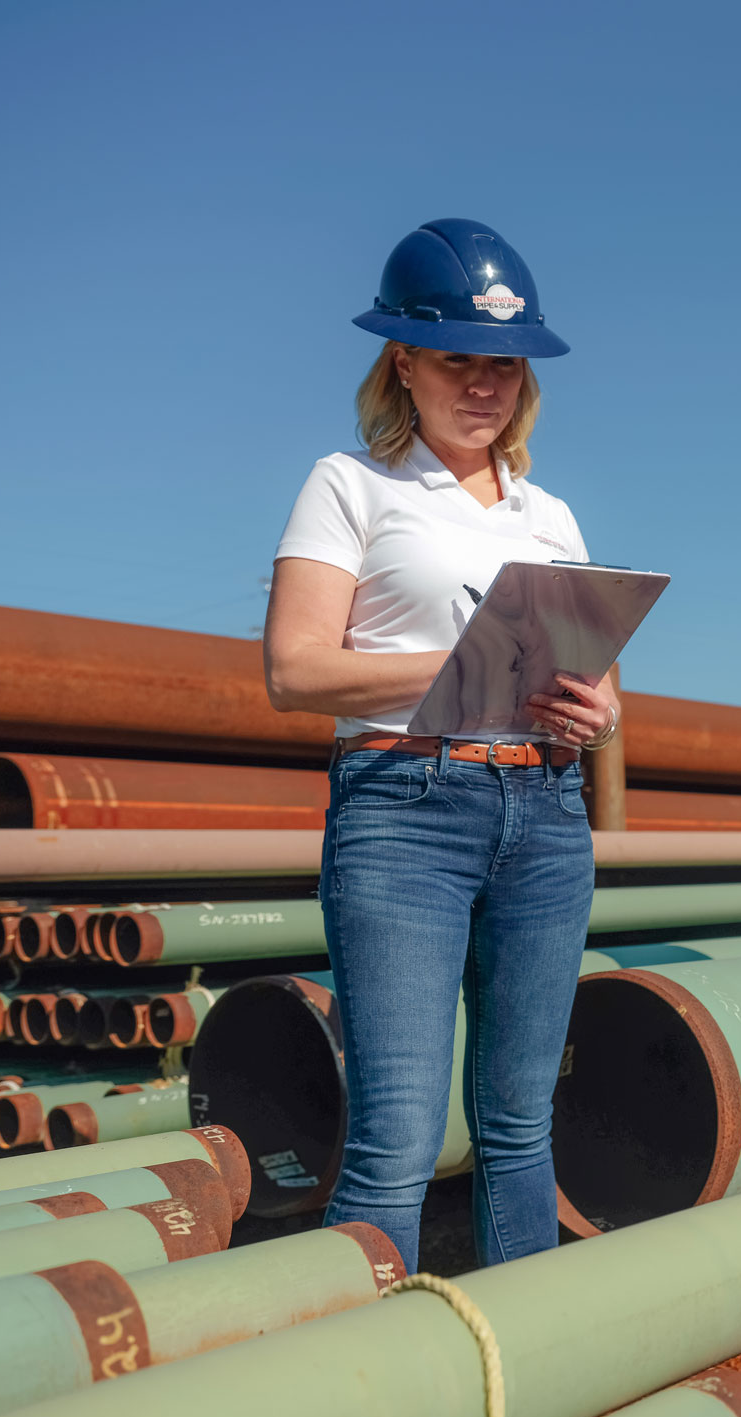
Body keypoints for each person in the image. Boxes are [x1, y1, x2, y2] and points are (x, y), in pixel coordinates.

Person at [263, 218, 618, 1273]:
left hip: (545, 818)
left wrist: (589, 716)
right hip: (404, 812)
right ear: (402, 362)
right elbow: (295, 670)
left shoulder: (551, 517)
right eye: (456, 357)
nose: (482, 383)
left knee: (520, 1129)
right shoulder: (350, 486)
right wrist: (465, 665)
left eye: (502, 363)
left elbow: (596, 688)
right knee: (396, 1142)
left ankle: (523, 1376)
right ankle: (371, 1403)